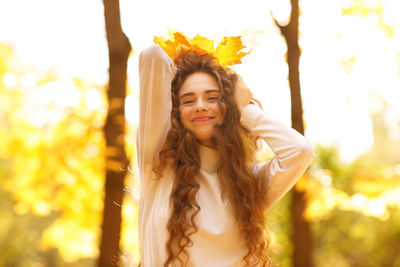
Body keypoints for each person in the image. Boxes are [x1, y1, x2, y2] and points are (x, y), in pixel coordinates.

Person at [137, 44, 314, 267]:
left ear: (228, 108)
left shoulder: (248, 183)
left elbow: (300, 151)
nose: (200, 106)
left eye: (212, 98)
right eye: (188, 100)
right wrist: (190, 64)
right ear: (175, 111)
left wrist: (244, 108)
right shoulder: (158, 162)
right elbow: (152, 56)